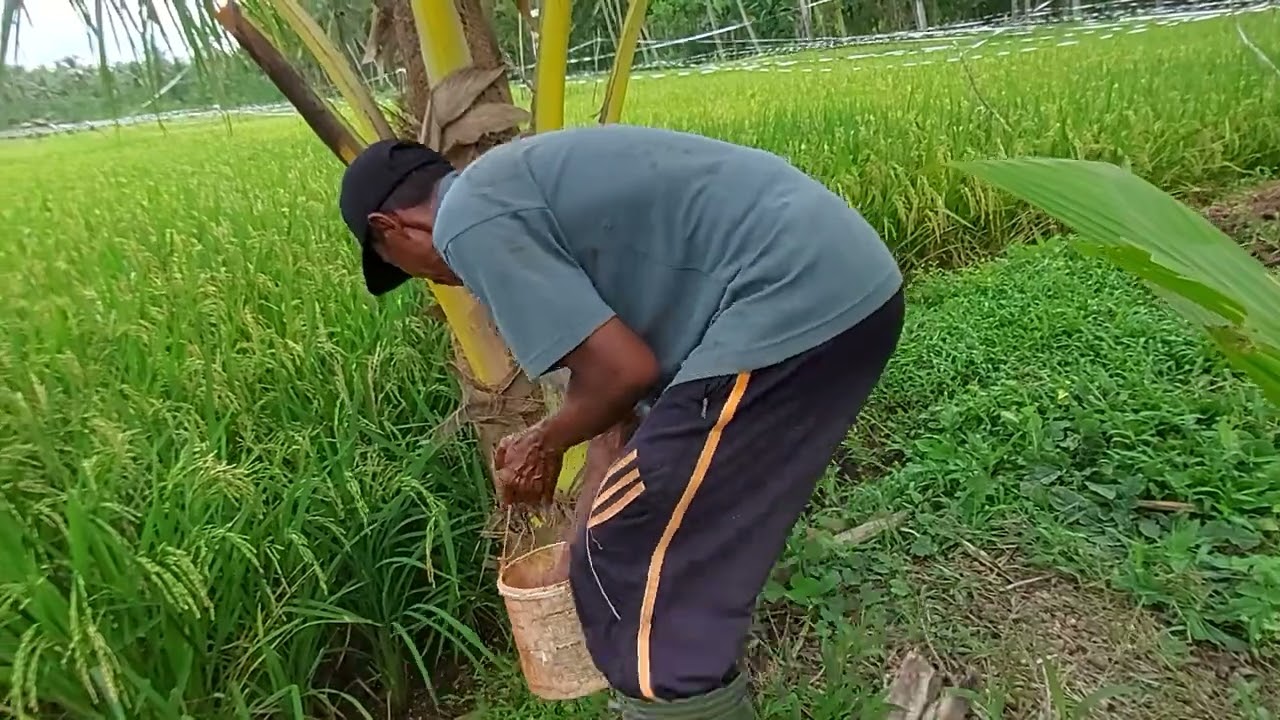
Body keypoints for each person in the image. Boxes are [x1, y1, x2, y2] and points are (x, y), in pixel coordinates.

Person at [337, 125, 904, 719]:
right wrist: (579, 543)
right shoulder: (506, 186)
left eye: (411, 270)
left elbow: (624, 372)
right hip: (835, 279)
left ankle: (664, 704)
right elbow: (617, 417)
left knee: (644, 565)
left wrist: (541, 442)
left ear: (389, 227)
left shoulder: (467, 222)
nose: (435, 280)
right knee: (625, 539)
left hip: (791, 294)